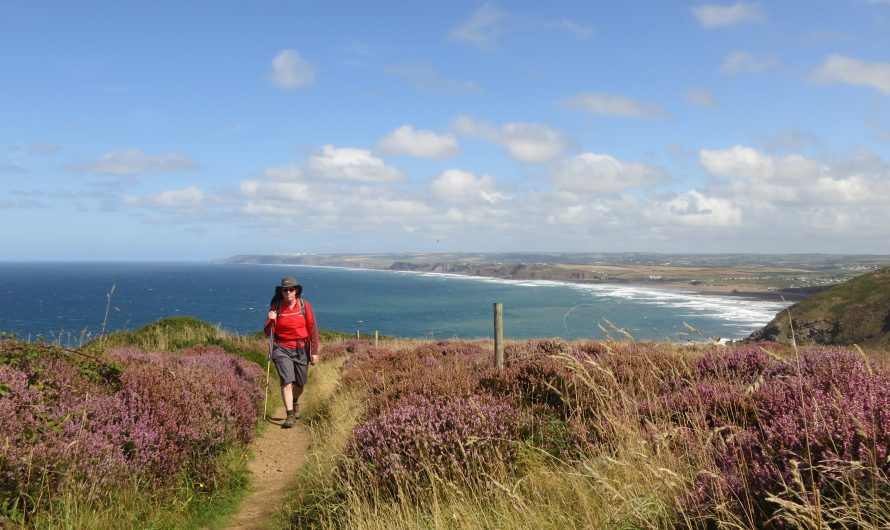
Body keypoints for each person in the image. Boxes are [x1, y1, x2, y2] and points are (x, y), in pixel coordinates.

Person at [264, 276, 319, 428]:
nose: (288, 292)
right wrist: (272, 320)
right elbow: (268, 331)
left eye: (291, 289)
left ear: (296, 291)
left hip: (301, 348)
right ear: (281, 292)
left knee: (300, 383)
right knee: (287, 381)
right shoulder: (276, 308)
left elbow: (313, 329)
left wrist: (314, 351)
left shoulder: (304, 306)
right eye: (285, 290)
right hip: (281, 348)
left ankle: (295, 401)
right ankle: (289, 415)